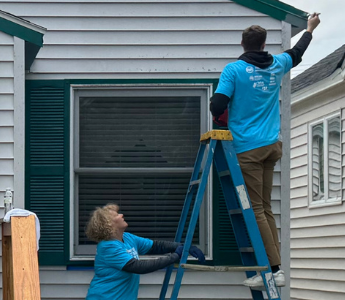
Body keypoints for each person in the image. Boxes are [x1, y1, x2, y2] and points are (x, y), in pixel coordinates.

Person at [206, 12, 320, 289]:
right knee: (265, 209)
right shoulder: (277, 64)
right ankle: (273, 268)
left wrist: (226, 111)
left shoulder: (234, 70)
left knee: (256, 210)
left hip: (248, 148)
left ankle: (273, 271)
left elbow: (217, 105)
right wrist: (309, 29)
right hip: (272, 145)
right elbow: (297, 53)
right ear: (263, 43)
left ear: (243, 44)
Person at [85, 204, 205, 300]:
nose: (121, 215)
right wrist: (175, 256)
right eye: (117, 215)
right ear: (109, 224)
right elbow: (138, 267)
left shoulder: (127, 237)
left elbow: (156, 246)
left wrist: (184, 247)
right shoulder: (108, 247)